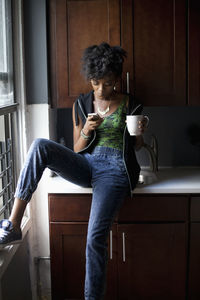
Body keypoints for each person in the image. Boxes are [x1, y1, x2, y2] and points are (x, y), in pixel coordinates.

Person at [0, 42, 147, 299]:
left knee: (94, 239)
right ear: (90, 79)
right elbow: (78, 148)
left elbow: (136, 146)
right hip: (87, 163)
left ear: (117, 79)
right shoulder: (81, 104)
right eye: (95, 82)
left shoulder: (131, 104)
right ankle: (13, 223)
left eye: (109, 83)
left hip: (115, 170)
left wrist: (139, 135)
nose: (101, 89)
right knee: (39, 146)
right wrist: (88, 130)